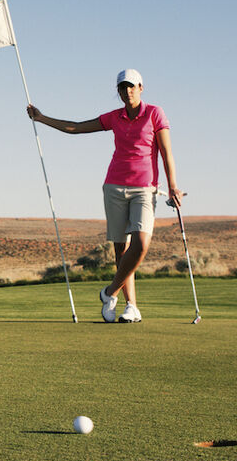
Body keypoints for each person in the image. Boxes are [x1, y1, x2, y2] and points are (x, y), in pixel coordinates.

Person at [26, 69, 182, 323]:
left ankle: (109, 292)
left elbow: (167, 153)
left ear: (141, 87)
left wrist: (173, 185)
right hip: (114, 187)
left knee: (141, 244)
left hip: (145, 188)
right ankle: (131, 306)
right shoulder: (114, 117)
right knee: (121, 249)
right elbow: (76, 128)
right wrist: (42, 119)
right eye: (122, 88)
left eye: (132, 86)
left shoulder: (155, 113)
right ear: (118, 91)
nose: (127, 91)